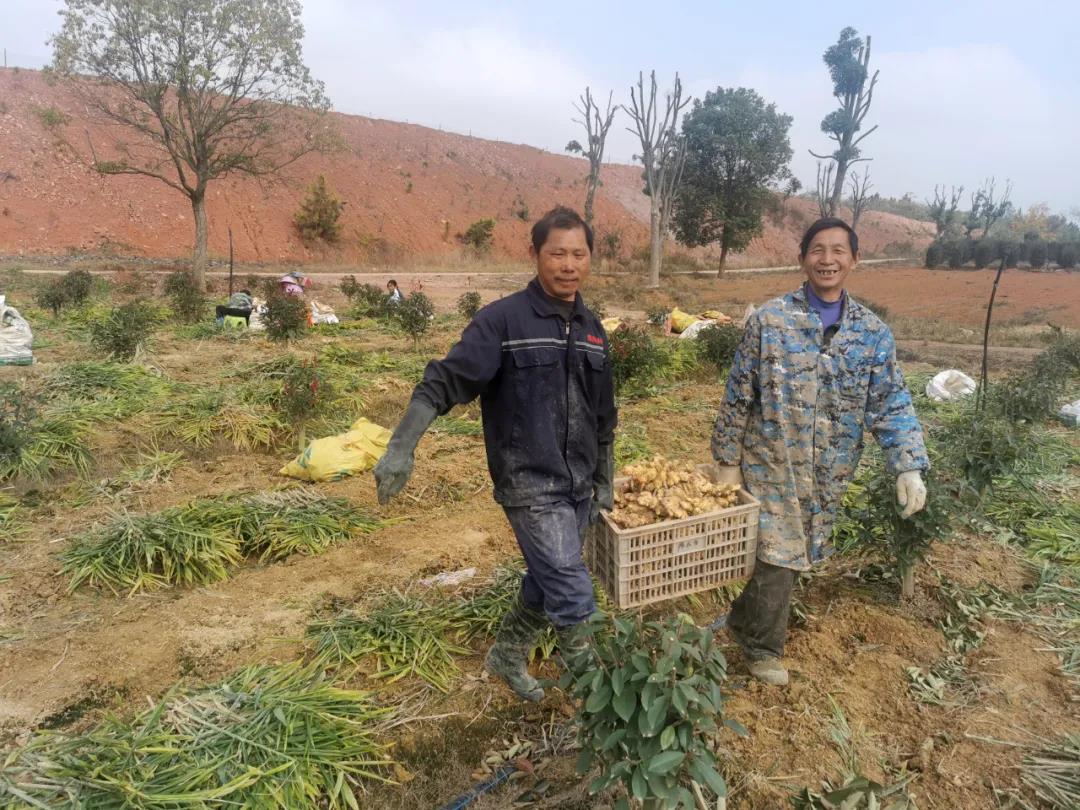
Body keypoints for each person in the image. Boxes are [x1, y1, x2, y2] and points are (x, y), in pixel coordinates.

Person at [374, 206, 616, 701]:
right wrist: (400, 446)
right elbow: (444, 381)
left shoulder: (593, 329)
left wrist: (604, 481)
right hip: (529, 482)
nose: (568, 265)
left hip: (578, 483)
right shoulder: (502, 321)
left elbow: (603, 414)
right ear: (535, 255)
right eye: (557, 254)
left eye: (578, 254)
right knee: (572, 590)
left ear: (590, 258)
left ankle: (505, 656)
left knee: (549, 574)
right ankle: (602, 704)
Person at [712, 217, 929, 687]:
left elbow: (891, 402)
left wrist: (908, 465)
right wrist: (726, 462)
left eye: (837, 251)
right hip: (771, 462)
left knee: (789, 553)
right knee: (780, 553)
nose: (827, 259)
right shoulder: (770, 321)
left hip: (828, 474)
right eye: (817, 250)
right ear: (802, 258)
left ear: (854, 259)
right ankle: (762, 650)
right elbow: (738, 394)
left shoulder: (872, 334)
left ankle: (739, 619)